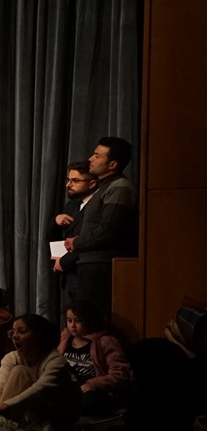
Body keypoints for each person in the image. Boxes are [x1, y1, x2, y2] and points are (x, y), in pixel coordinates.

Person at [0, 314, 83, 431]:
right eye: (12, 332)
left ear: (38, 335)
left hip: (48, 415)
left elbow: (41, 389)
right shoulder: (12, 358)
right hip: (16, 413)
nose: (15, 336)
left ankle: (1, 427)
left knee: (19, 372)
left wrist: (3, 408)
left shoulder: (55, 360)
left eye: (22, 331)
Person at [63, 136, 138, 319]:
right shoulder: (105, 188)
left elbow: (109, 231)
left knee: (94, 323)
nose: (91, 159)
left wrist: (77, 242)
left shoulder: (119, 187)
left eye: (97, 156)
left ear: (112, 165)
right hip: (90, 265)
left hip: (102, 268)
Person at [58, 299, 133, 417]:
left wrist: (92, 384)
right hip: (69, 390)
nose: (72, 325)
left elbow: (119, 375)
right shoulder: (66, 340)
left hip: (96, 392)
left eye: (78, 321)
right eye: (69, 320)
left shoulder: (105, 341)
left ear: (89, 321)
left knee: (86, 402)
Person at [49, 162, 98, 317]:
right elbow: (55, 237)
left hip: (85, 274)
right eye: (68, 180)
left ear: (92, 183)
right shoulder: (72, 205)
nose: (68, 185)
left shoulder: (97, 205)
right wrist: (56, 221)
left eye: (75, 181)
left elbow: (91, 241)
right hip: (68, 277)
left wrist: (64, 262)